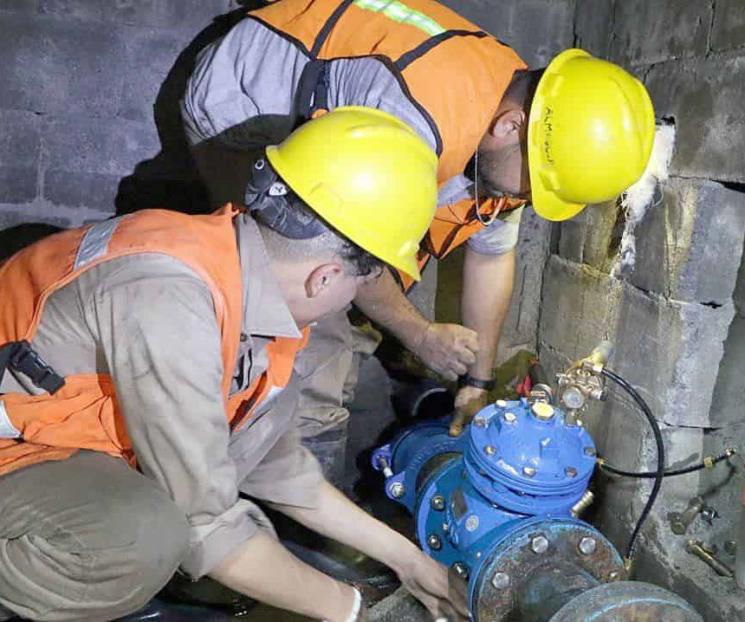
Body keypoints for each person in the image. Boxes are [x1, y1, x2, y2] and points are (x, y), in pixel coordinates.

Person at [0, 108, 467, 622]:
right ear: (327, 277)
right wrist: (360, 612)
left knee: (178, 515)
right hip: (17, 448)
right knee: (141, 537)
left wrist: (411, 563)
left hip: (47, 444)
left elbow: (273, 466)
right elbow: (210, 525)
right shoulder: (169, 295)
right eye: (363, 287)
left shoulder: (252, 297)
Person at [181, 0, 656, 480]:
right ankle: (290, 494)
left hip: (352, 119)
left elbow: (491, 253)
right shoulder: (415, 109)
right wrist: (419, 334)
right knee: (309, 293)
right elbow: (346, 248)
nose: (528, 199)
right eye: (534, 185)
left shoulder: (525, 125)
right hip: (246, 108)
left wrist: (477, 381)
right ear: (510, 125)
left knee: (357, 294)